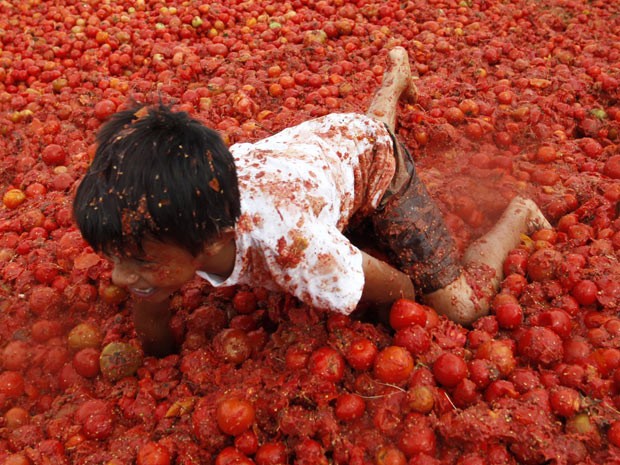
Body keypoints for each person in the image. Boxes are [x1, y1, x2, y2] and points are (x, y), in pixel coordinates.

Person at [73, 47, 550, 356]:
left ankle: (519, 214)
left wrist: (400, 306)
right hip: (317, 146)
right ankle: (393, 87)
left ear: (214, 236)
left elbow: (397, 286)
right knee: (359, 132)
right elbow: (153, 324)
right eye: (114, 256)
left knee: (460, 308)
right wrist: (147, 295)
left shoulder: (296, 251)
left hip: (373, 168)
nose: (118, 274)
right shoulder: (168, 207)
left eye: (135, 260)